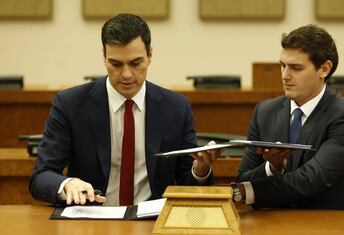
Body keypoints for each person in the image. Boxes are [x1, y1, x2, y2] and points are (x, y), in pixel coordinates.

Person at [29, 13, 216, 206]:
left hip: (152, 222)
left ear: (150, 55)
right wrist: (67, 184)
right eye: (116, 64)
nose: (126, 74)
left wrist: (200, 170)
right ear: (104, 57)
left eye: (135, 63)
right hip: (91, 220)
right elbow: (41, 177)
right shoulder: (70, 105)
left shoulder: (176, 108)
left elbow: (187, 181)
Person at [232, 24, 344, 210]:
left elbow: (311, 179)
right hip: (275, 224)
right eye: (283, 66)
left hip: (333, 225)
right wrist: (273, 167)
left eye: (296, 68)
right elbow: (243, 177)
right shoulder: (265, 112)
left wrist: (248, 192)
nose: (285, 76)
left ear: (324, 69)